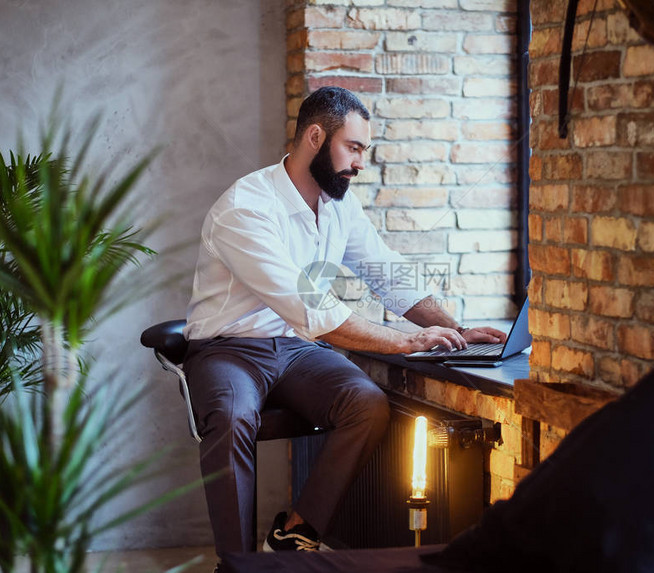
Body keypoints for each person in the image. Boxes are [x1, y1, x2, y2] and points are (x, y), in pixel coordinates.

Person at [182, 86, 507, 569]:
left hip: (294, 349)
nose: (359, 163)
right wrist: (407, 341)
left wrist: (454, 328)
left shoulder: (339, 205)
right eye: (353, 148)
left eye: (363, 151)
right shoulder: (245, 209)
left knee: (367, 403)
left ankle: (295, 534)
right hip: (229, 347)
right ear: (315, 137)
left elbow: (385, 271)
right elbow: (312, 307)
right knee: (232, 419)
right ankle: (236, 563)